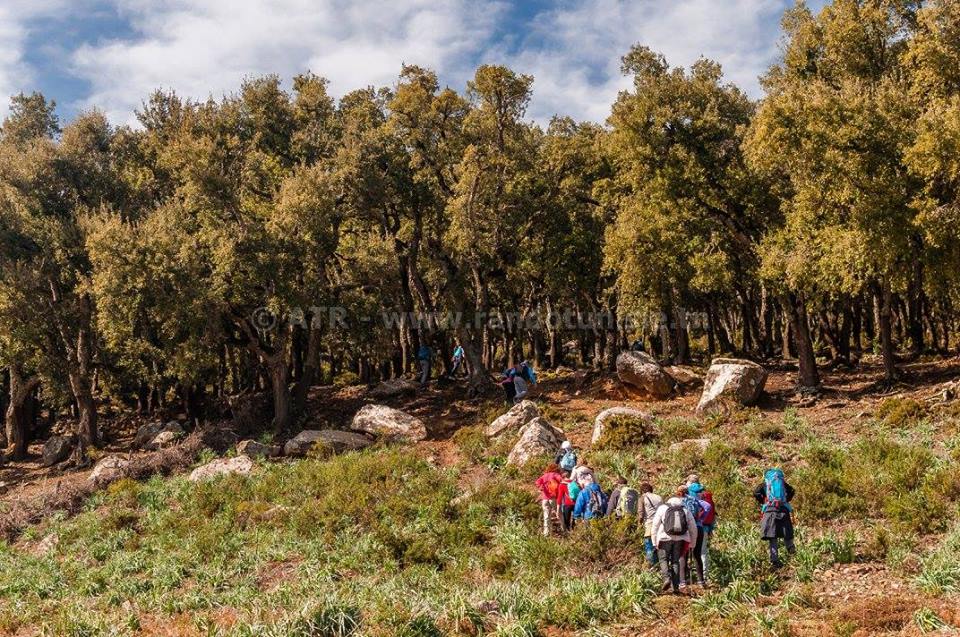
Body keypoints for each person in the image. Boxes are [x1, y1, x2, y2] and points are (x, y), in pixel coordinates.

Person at [651, 487, 698, 594]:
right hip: (680, 539)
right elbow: (693, 527)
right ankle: (676, 587)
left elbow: (655, 525)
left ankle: (666, 578)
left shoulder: (662, 508)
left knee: (663, 559)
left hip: (664, 538)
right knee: (675, 561)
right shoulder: (685, 510)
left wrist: (654, 541)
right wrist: (692, 544)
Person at [754, 468, 796, 568]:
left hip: (769, 510)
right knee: (787, 532)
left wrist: (763, 501)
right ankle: (792, 551)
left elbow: (755, 493)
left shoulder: (765, 484)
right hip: (783, 509)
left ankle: (775, 560)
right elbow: (792, 491)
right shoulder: (782, 483)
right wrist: (786, 500)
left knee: (772, 536)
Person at [686, 474, 717, 584]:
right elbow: (711, 510)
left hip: (691, 526)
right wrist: (710, 527)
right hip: (705, 527)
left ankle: (687, 576)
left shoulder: (690, 491)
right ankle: (704, 575)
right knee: (702, 552)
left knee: (688, 551)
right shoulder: (706, 494)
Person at [535, 463, 564, 537]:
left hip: (545, 499)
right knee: (559, 513)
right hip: (553, 498)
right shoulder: (555, 474)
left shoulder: (544, 475)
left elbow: (537, 482)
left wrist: (541, 487)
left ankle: (546, 533)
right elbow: (561, 480)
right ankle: (563, 529)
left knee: (546, 516)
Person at [640, 483, 663, 566]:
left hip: (649, 524)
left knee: (649, 546)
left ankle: (652, 566)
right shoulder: (659, 497)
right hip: (660, 525)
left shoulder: (643, 497)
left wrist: (639, 524)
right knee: (659, 547)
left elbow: (641, 513)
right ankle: (661, 565)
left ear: (642, 490)